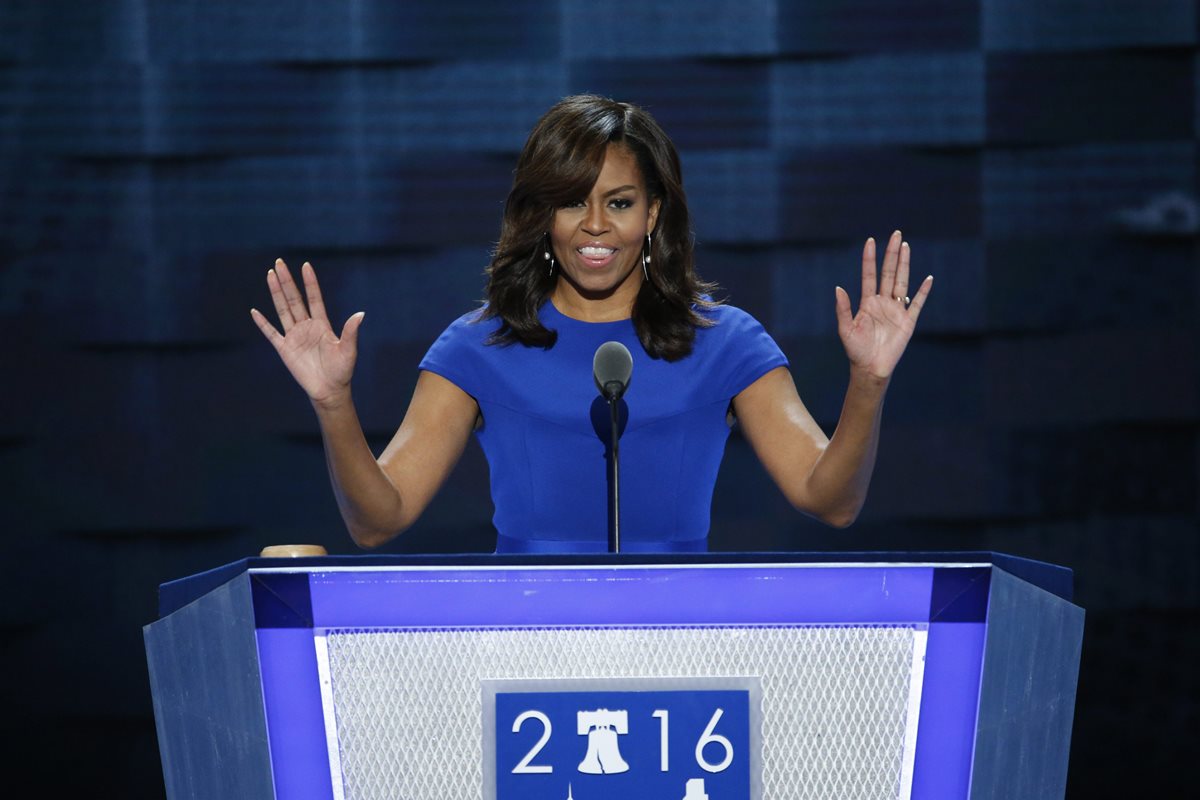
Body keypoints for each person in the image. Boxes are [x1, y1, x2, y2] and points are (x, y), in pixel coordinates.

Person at [250, 95, 932, 553]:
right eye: (572, 202)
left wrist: (868, 383)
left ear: (655, 213)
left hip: (680, 652)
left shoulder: (725, 342)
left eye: (621, 201)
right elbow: (379, 519)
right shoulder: (479, 346)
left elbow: (830, 500)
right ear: (543, 214)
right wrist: (333, 404)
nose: (597, 226)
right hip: (521, 657)